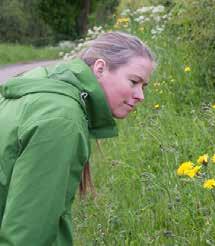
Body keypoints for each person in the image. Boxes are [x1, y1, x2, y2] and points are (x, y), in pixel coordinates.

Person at [0, 31, 155, 245]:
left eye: (143, 86)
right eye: (134, 81)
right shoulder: (62, 120)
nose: (141, 95)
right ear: (100, 68)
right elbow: (27, 232)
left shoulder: (42, 88)